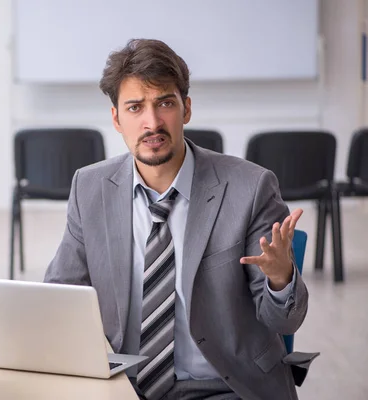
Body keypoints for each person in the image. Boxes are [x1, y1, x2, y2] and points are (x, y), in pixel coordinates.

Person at [44, 39, 317, 400]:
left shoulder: (250, 188)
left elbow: (283, 321)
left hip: (226, 388)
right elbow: (59, 298)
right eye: (135, 107)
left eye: (165, 103)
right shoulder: (90, 187)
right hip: (123, 387)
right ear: (116, 119)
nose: (152, 122)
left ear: (186, 109)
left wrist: (282, 279)